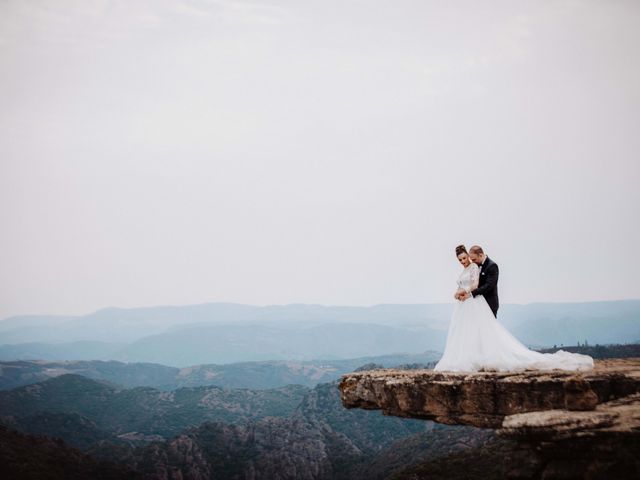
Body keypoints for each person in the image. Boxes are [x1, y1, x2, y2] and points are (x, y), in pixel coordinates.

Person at [434, 244, 594, 372]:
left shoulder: (490, 266)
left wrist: (467, 293)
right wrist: (459, 293)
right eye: (462, 259)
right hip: (468, 304)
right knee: (472, 332)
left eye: (469, 258)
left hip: (484, 303)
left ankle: (489, 357)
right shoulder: (475, 266)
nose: (468, 261)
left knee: (488, 332)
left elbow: (487, 286)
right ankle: (479, 357)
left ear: (480, 255)